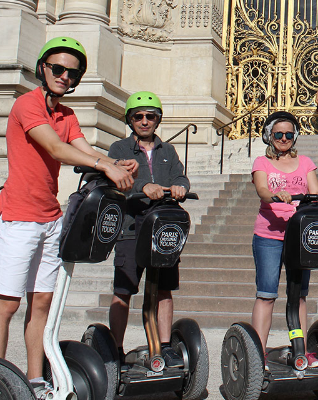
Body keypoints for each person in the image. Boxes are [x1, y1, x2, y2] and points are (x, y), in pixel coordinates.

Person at [0, 37, 137, 395]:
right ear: (43, 68)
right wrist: (104, 165)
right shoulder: (27, 104)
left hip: (51, 219)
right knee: (7, 303)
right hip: (18, 217)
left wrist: (118, 164)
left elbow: (82, 148)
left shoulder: (66, 115)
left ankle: (35, 380)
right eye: (58, 69)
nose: (64, 76)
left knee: (42, 304)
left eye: (72, 72)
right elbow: (55, 148)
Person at [250, 110, 318, 369]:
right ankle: (259, 353)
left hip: (299, 236)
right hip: (269, 235)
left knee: (299, 296)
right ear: (269, 135)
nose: (284, 138)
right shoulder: (261, 163)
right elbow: (262, 190)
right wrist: (277, 194)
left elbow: (315, 192)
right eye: (278, 134)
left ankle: (301, 350)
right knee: (267, 294)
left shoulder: (305, 162)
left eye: (289, 134)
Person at [107, 91, 189, 365]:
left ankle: (164, 345)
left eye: (150, 116)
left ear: (158, 120)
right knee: (124, 289)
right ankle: (115, 349)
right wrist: (143, 186)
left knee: (163, 289)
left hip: (163, 228)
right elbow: (117, 179)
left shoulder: (168, 151)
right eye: (138, 116)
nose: (144, 121)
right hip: (132, 226)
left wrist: (181, 187)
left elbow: (180, 176)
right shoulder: (118, 149)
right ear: (130, 120)